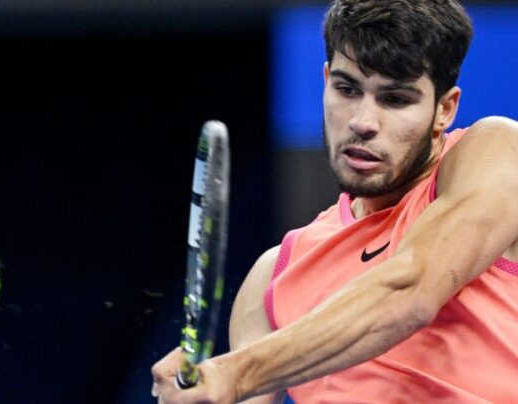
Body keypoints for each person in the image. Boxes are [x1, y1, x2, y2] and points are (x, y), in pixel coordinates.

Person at [152, 0, 518, 402]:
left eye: (395, 99)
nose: (363, 121)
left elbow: (411, 289)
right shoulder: (273, 278)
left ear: (444, 109)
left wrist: (236, 372)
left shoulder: (497, 152)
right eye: (347, 89)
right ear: (326, 81)